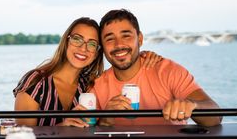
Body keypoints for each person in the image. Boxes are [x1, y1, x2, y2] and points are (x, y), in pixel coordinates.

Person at [13, 17, 162, 127]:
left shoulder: (89, 85)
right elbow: (21, 137)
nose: (83, 48)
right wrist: (61, 128)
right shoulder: (36, 81)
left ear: (97, 52)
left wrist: (143, 55)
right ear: (66, 41)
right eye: (77, 39)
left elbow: (94, 129)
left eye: (92, 44)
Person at [92, 9, 222, 127]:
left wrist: (192, 106)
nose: (119, 44)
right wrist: (105, 119)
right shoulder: (96, 86)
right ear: (103, 47)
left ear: (140, 39)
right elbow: (86, 133)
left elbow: (216, 118)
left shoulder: (168, 71)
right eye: (109, 39)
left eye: (126, 36)